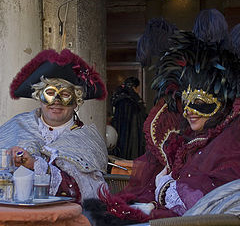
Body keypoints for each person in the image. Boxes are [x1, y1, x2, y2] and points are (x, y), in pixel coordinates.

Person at [83, 25, 240, 225]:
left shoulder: (229, 144)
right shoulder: (189, 142)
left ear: (222, 105)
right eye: (186, 102)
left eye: (200, 103)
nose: (188, 111)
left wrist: (166, 188)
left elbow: (208, 204)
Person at [0, 48, 108, 203]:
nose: (56, 101)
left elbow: (92, 191)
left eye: (65, 95)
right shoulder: (17, 126)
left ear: (76, 101)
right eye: (50, 93)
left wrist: (36, 165)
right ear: (39, 97)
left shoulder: (87, 140)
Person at [110, 76, 147, 160]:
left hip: (120, 140)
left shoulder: (120, 100)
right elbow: (138, 123)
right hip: (133, 142)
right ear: (134, 87)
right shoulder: (134, 102)